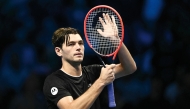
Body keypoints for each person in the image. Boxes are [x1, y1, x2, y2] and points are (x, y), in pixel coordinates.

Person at [43, 13, 137, 109]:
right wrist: (101, 81)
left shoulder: (94, 71)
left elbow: (129, 68)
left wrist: (116, 40)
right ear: (59, 51)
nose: (78, 47)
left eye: (80, 43)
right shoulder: (54, 81)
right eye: (71, 44)